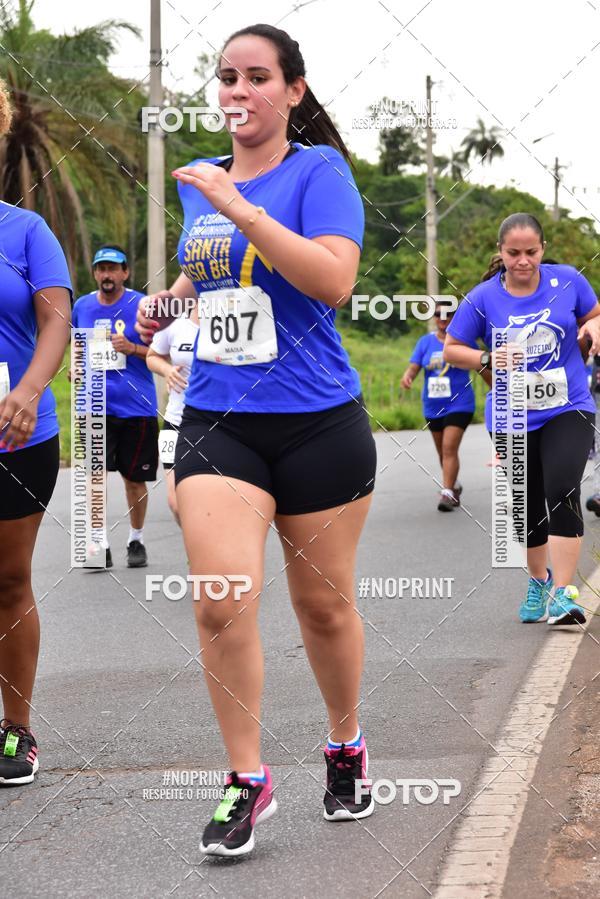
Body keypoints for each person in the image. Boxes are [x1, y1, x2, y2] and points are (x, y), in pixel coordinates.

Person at [136, 23, 377, 856]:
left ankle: (345, 742)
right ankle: (246, 778)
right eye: (227, 78)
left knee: (322, 607)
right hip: (219, 421)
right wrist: (166, 300)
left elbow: (333, 279)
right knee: (219, 599)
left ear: (293, 92)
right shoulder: (202, 184)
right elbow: (213, 272)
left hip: (319, 423)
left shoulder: (320, 172)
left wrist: (241, 204)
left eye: (257, 77)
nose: (237, 92)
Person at [445, 213, 600, 626]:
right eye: (513, 253)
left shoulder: (568, 280)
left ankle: (565, 594)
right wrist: (488, 357)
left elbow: (593, 313)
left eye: (531, 252)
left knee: (563, 487)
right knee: (527, 507)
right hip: (512, 414)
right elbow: (452, 349)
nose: (523, 261)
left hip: (569, 405)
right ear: (501, 252)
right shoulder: (482, 298)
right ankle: (539, 580)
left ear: (543, 250)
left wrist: (595, 327)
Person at [0, 81, 72, 784]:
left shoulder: (25, 232)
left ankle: (16, 729)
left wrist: (28, 388)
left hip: (16, 434)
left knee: (8, 579)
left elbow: (55, 317)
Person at [71, 246, 158, 568]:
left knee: (134, 479)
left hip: (136, 406)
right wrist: (75, 368)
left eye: (113, 268)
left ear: (125, 273)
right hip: (93, 405)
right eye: (101, 269)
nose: (107, 275)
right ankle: (98, 542)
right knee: (94, 477)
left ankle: (137, 540)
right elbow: (78, 349)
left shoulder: (141, 306)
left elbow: (160, 353)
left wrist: (132, 347)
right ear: (95, 273)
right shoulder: (81, 306)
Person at [401, 302, 484, 511]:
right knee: (442, 451)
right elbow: (414, 367)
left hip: (460, 403)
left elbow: (482, 366)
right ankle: (453, 485)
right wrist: (408, 377)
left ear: (455, 317)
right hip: (432, 405)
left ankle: (446, 493)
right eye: (438, 314)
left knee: (449, 448)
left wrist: (500, 387)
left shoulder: (464, 342)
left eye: (448, 314)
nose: (442, 318)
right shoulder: (425, 342)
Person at [146, 302, 199, 524]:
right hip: (176, 421)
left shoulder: (231, 321)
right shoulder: (174, 322)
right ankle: (196, 554)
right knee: (176, 503)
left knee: (209, 501)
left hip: (217, 423)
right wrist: (167, 370)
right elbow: (152, 356)